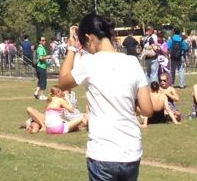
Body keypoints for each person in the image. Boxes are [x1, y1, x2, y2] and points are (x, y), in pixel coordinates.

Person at [58, 13, 153, 181]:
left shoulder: (89, 63)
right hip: (131, 151)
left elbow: (63, 82)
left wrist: (72, 48)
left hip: (103, 152)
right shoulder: (132, 62)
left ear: (89, 38)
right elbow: (147, 109)